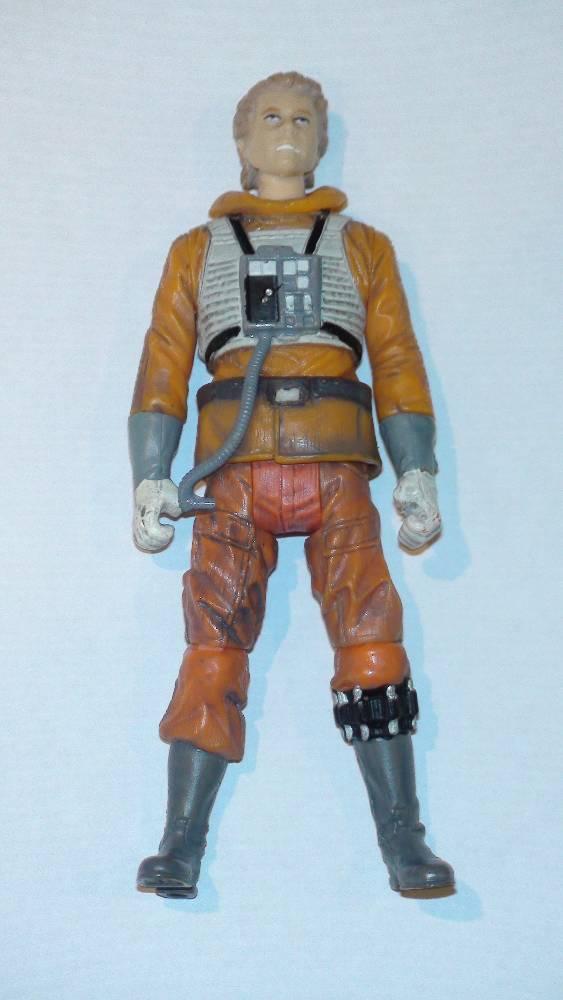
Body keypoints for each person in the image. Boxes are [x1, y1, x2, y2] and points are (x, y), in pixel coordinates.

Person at [129, 71, 454, 899]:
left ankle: (403, 836)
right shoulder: (196, 252)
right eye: (270, 116)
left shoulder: (363, 247)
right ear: (241, 139)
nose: (287, 129)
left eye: (304, 118)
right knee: (211, 642)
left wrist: (416, 468)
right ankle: (180, 841)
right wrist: (149, 475)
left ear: (323, 140)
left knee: (371, 634)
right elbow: (163, 363)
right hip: (231, 476)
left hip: (336, 466)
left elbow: (396, 361)